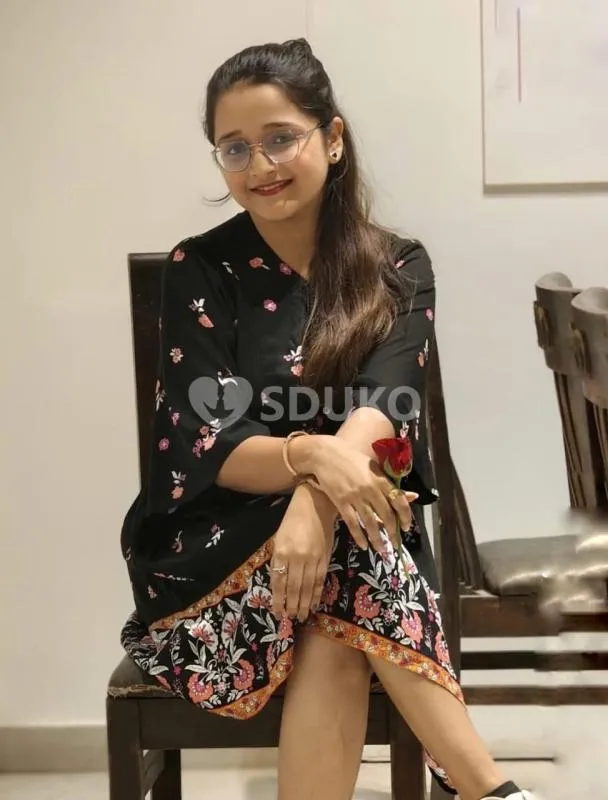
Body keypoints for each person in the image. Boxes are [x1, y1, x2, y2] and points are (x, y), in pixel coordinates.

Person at [120, 38, 542, 800]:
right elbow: (211, 445)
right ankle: (486, 788)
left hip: (348, 550)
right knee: (359, 551)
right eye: (235, 147)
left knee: (337, 617)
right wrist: (313, 457)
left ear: (333, 137)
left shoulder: (397, 268)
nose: (260, 165)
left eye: (280, 138)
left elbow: (385, 410)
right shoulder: (201, 270)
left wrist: (314, 504)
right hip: (217, 571)